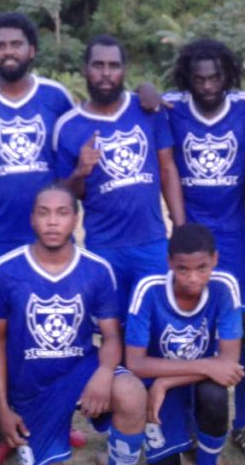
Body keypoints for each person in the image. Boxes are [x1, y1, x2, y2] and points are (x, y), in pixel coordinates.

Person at [0, 184, 149, 465]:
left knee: (132, 392)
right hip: (31, 388)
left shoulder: (96, 270)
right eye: (44, 213)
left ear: (76, 219)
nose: (53, 222)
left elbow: (110, 336)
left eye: (62, 213)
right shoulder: (6, 270)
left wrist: (105, 374)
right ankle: (35, 435)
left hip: (80, 370)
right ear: (32, 219)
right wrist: (1, 406)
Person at [163, 39, 245, 464]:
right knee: (191, 325)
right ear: (187, 78)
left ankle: (242, 422)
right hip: (192, 235)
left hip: (238, 237)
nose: (207, 85)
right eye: (199, 78)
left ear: (228, 76)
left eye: (215, 77)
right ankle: (190, 420)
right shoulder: (172, 106)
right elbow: (141, 102)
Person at [54, 35, 186, 317]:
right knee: (112, 327)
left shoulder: (148, 110)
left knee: (157, 324)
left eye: (113, 65)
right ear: (84, 70)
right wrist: (80, 171)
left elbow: (167, 170)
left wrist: (181, 227)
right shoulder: (68, 126)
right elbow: (64, 195)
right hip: (104, 247)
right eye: (98, 65)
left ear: (124, 70)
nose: (105, 73)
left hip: (152, 242)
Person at [124, 223, 245, 465]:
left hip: (184, 382)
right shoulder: (148, 290)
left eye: (202, 268)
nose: (193, 278)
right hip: (156, 384)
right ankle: (165, 434)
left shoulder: (225, 286)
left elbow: (228, 364)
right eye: (182, 269)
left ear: (215, 260)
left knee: (215, 394)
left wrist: (167, 380)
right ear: (169, 264)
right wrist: (205, 364)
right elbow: (136, 363)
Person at [0, 12, 76, 266]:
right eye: (0, 46)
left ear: (31, 50)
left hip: (53, 234)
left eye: (16, 45)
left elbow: (74, 162)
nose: (8, 52)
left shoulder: (56, 97)